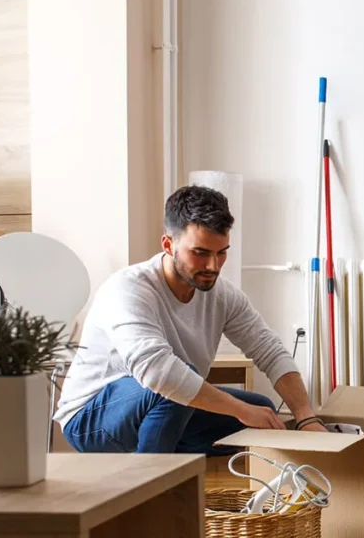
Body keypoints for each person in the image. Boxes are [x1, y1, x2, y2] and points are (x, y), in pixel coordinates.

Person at [54, 185, 326, 454]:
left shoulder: (223, 295)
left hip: (164, 405)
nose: (213, 266)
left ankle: (171, 459)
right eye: (200, 253)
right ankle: (151, 488)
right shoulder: (128, 288)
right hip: (90, 418)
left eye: (221, 252)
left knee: (263, 412)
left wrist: (305, 416)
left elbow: (269, 350)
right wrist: (240, 410)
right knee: (176, 387)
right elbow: (159, 373)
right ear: (168, 244)